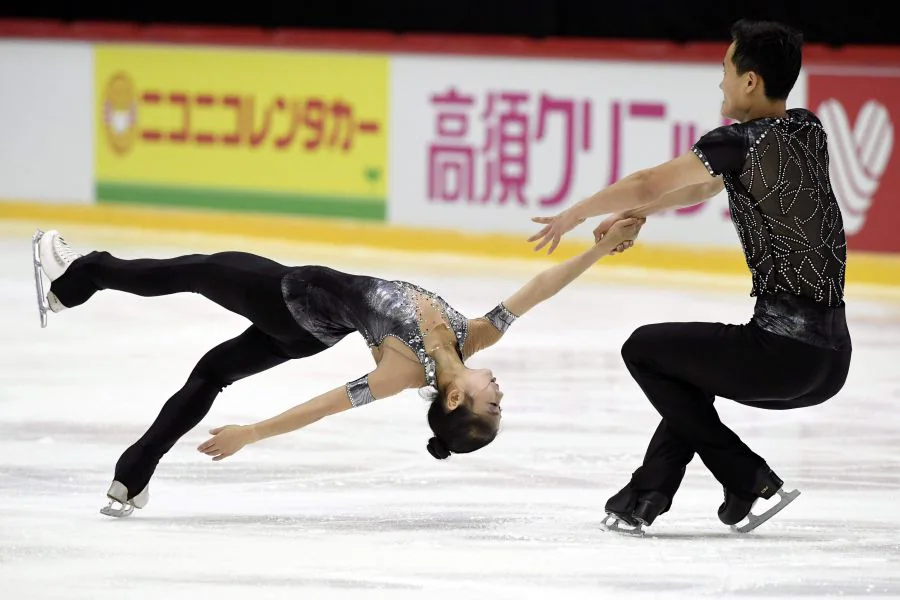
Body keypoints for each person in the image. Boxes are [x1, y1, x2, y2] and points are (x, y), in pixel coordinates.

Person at [31, 218, 643, 517]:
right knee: (211, 371)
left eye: (494, 402)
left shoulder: (403, 374)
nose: (500, 391)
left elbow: (323, 406)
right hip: (307, 332)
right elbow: (542, 288)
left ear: (455, 401)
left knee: (194, 269)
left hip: (289, 299)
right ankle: (131, 475)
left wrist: (251, 433)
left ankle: (80, 275)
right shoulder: (474, 336)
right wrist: (598, 246)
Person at [528, 19, 851, 534]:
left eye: (725, 68)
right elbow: (700, 189)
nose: (719, 80)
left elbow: (646, 181)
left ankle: (747, 477)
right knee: (689, 369)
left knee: (644, 349)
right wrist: (646, 213)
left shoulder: (737, 140)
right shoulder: (808, 129)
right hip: (832, 362)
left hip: (782, 357)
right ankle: (648, 494)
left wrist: (579, 212)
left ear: (749, 80)